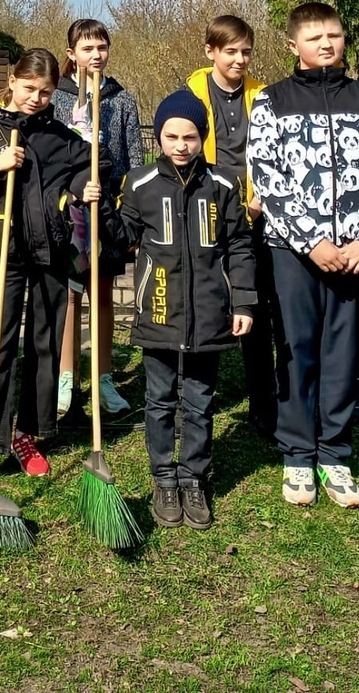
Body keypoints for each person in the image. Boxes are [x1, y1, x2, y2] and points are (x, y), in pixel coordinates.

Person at [0, 49, 118, 511]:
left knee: (44, 345)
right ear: (12, 81)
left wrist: (80, 187)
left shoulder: (58, 135)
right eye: (29, 88)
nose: (36, 98)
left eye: (46, 91)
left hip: (51, 255)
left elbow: (95, 164)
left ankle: (25, 434)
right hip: (4, 256)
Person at [247, 2, 359, 509]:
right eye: (315, 38)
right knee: (297, 349)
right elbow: (268, 179)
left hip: (356, 252)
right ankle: (296, 455)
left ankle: (334, 453)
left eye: (334, 35)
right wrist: (311, 241)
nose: (327, 44)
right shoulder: (272, 102)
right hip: (295, 252)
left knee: (342, 352)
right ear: (293, 46)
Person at [120, 90, 257, 530]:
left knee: (199, 402)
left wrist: (243, 301)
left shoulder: (221, 186)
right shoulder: (139, 184)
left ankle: (193, 476)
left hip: (208, 314)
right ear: (158, 137)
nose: (181, 145)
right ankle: (164, 477)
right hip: (158, 309)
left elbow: (238, 245)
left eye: (191, 137)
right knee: (159, 401)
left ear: (203, 138)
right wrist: (97, 207)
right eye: (171, 136)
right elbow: (119, 235)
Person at [185, 14, 278, 438]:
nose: (239, 59)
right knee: (203, 304)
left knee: (254, 306)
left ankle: (264, 402)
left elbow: (271, 154)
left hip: (254, 214)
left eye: (246, 52)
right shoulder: (190, 96)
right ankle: (195, 397)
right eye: (231, 51)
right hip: (205, 212)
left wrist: (260, 199)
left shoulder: (262, 96)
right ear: (211, 51)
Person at [51, 19, 141, 419]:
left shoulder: (121, 100)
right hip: (71, 214)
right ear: (72, 53)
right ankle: (66, 378)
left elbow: (135, 161)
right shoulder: (57, 99)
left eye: (102, 47)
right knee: (70, 293)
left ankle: (103, 377)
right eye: (87, 49)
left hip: (108, 214)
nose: (96, 55)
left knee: (103, 295)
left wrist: (128, 211)